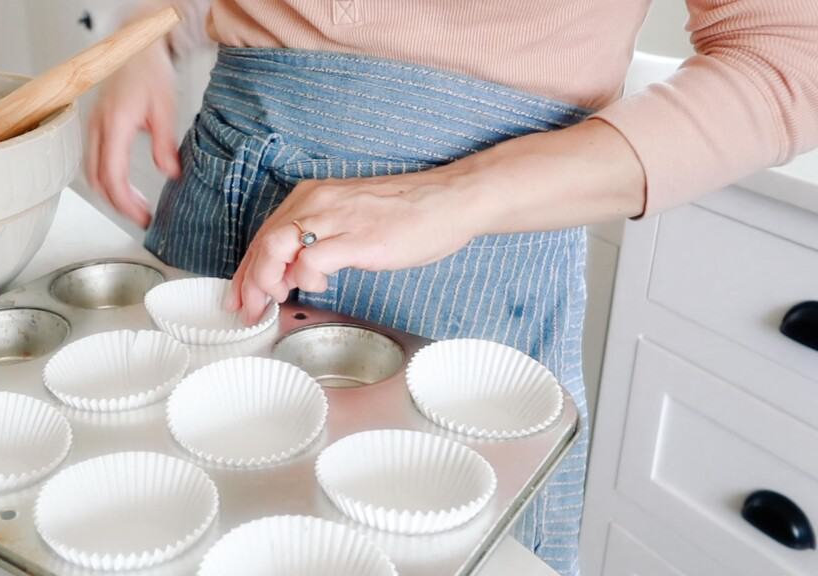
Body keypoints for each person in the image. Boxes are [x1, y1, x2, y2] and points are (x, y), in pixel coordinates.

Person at [87, 2, 818, 574]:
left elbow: (790, 58)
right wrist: (147, 34)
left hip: (465, 273)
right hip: (214, 204)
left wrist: (456, 195)